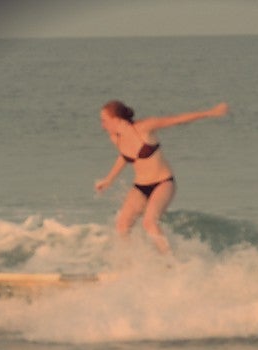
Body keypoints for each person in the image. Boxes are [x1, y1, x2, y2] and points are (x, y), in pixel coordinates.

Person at [95, 100, 229, 253]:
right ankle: (131, 263)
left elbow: (176, 120)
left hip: (163, 183)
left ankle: (169, 262)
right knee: (122, 226)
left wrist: (209, 113)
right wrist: (108, 179)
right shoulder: (115, 137)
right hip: (140, 187)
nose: (102, 125)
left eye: (104, 121)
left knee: (149, 222)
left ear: (117, 119)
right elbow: (125, 156)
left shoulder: (144, 128)